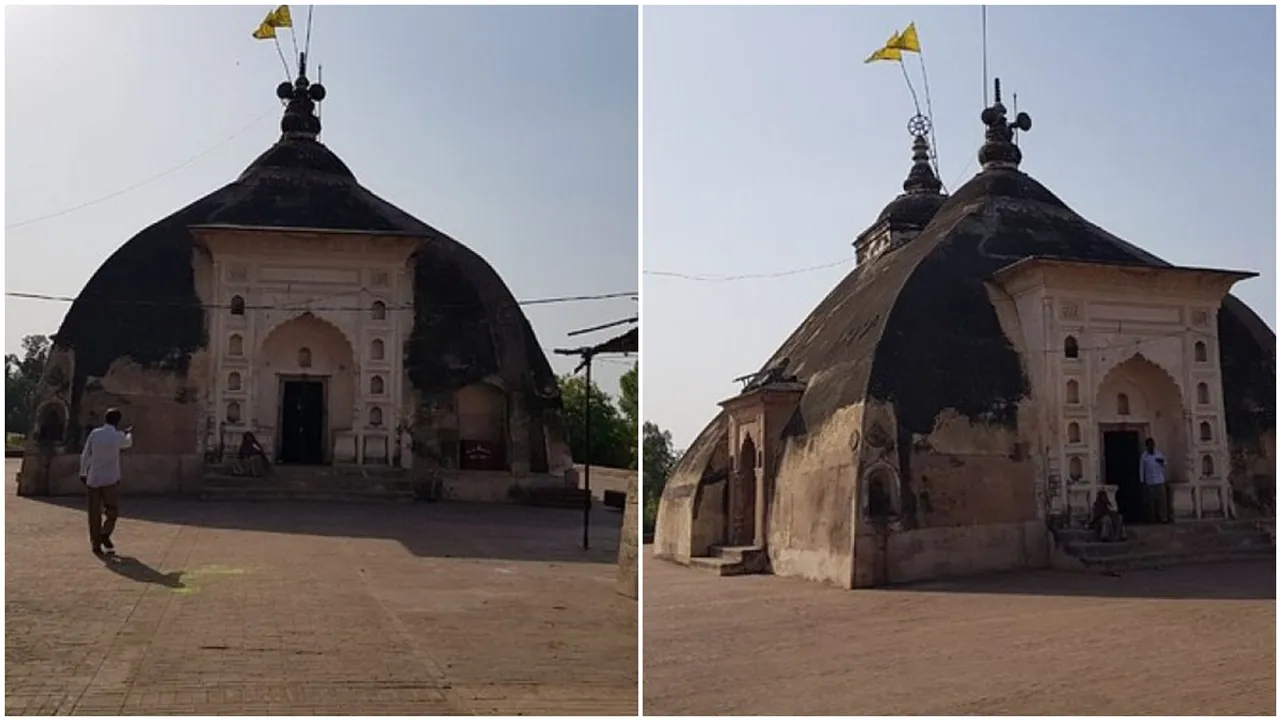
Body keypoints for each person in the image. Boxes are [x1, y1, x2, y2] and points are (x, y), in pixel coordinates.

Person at [79, 408, 133, 555]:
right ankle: (105, 533)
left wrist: (83, 472)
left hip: (94, 478)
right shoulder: (118, 436)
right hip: (110, 478)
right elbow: (127, 443)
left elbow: (85, 454)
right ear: (118, 421)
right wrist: (129, 433)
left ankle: (95, 544)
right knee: (112, 510)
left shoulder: (95, 434)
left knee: (94, 513)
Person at [1139, 437, 1170, 524]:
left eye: (1152, 445)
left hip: (1160, 481)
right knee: (1151, 503)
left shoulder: (1159, 454)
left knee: (1162, 502)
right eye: (1149, 445)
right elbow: (1142, 469)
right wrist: (1142, 481)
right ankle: (1152, 519)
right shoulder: (1144, 456)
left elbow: (1165, 464)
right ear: (1146, 446)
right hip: (1150, 482)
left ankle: (1163, 518)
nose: (1151, 447)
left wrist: (1161, 461)